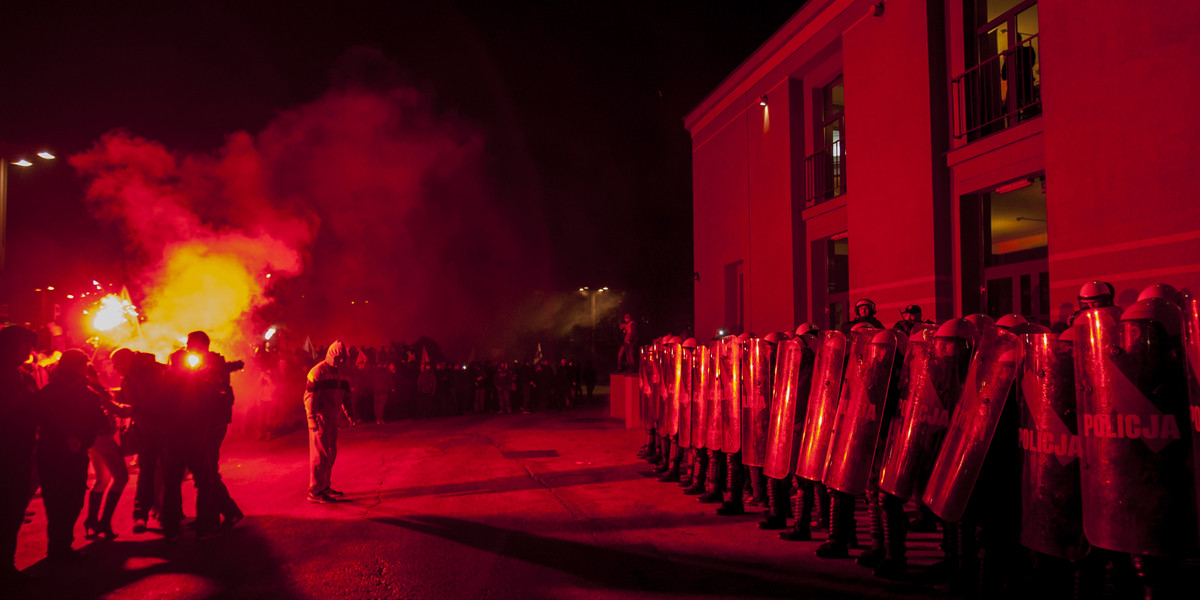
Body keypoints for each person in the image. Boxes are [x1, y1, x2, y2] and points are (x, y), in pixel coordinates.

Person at [36, 349, 108, 561]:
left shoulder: (48, 391)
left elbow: (39, 419)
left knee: (55, 502)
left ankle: (57, 547)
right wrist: (76, 439)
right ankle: (61, 547)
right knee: (72, 500)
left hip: (49, 452)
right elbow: (99, 423)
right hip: (70, 454)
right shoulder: (87, 393)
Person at [111, 347, 168, 534]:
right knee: (148, 472)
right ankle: (144, 514)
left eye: (116, 364)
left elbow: (159, 401)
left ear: (126, 361)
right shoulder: (131, 376)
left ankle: (162, 513)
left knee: (164, 472)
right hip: (146, 431)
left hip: (163, 430)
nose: (114, 369)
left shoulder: (150, 374)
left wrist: (134, 409)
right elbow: (126, 397)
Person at [1, 326, 38, 581]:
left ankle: (6, 564)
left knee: (13, 512)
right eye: (25, 346)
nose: (29, 351)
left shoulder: (24, 376)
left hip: (21, 454)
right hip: (6, 453)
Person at [305, 341, 352, 503]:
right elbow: (309, 398)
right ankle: (315, 491)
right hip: (320, 418)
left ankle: (324, 486)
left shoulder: (341, 374)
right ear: (332, 355)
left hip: (332, 418)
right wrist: (311, 419)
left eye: (342, 358)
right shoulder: (317, 372)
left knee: (330, 453)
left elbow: (346, 397)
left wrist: (349, 414)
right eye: (338, 357)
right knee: (319, 456)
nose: (340, 361)